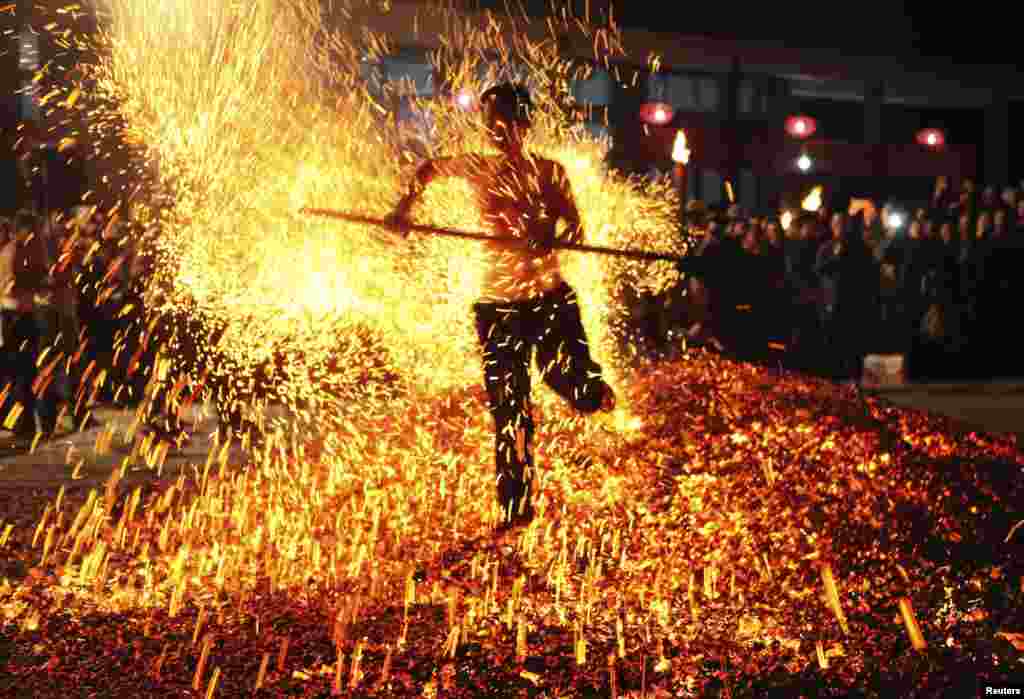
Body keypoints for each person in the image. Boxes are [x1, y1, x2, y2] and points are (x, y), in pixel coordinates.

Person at [386, 83, 616, 530]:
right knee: (509, 409)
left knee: (564, 376)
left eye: (508, 123)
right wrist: (404, 208)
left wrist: (552, 232)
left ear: (525, 125)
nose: (499, 132)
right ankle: (516, 507)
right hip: (497, 306)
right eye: (491, 123)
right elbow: (428, 169)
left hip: (548, 299)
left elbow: (576, 229)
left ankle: (592, 393)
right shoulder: (477, 168)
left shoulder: (549, 172)